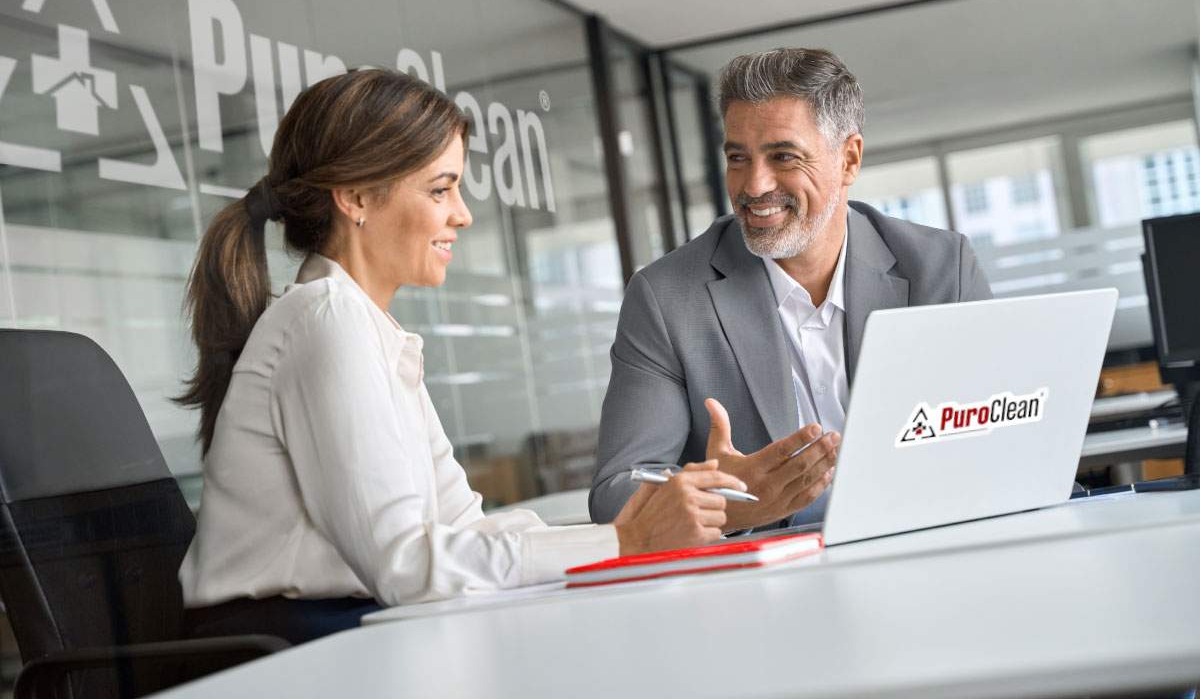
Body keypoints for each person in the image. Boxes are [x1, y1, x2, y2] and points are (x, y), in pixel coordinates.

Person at [177, 69, 744, 643]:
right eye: (440, 189)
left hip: (344, 626)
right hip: (287, 652)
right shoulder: (327, 321)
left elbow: (460, 527)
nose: (463, 214)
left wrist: (641, 522)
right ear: (354, 198)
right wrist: (627, 541)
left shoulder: (366, 328)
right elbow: (407, 565)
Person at [590, 47, 992, 532]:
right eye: (738, 157)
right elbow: (615, 493)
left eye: (783, 156)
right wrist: (729, 502)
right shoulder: (667, 299)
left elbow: (1001, 438)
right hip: (770, 586)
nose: (754, 185)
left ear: (849, 159)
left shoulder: (942, 269)